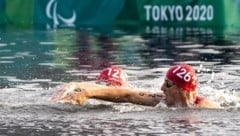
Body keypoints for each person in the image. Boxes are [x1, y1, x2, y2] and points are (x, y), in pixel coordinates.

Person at [50, 64, 221, 109]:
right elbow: (126, 95)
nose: (161, 88)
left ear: (182, 89)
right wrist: (81, 88)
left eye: (167, 84)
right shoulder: (160, 100)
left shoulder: (206, 108)